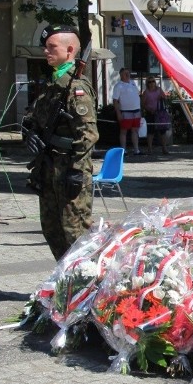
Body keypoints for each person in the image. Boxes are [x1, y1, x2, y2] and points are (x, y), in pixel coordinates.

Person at [23, 25, 99, 260]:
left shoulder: (76, 88)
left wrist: (76, 171)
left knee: (75, 232)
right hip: (48, 166)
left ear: (69, 50)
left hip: (69, 169)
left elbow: (88, 134)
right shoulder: (53, 86)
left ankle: (89, 286)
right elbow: (32, 118)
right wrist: (30, 133)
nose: (46, 52)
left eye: (51, 47)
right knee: (52, 228)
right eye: (46, 47)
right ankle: (67, 281)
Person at [113, 68, 142, 155]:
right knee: (124, 131)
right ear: (121, 75)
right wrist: (118, 113)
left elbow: (138, 94)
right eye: (125, 73)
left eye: (128, 73)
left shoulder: (133, 83)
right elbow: (115, 100)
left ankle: (136, 150)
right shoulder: (118, 86)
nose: (127, 75)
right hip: (125, 111)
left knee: (135, 130)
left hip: (136, 111)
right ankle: (123, 150)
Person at [141, 77, 171, 155]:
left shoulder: (159, 89)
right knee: (151, 131)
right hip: (150, 113)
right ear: (147, 83)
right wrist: (149, 109)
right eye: (149, 82)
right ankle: (150, 149)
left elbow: (165, 98)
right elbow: (143, 104)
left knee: (162, 131)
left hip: (160, 113)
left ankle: (164, 148)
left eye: (153, 81)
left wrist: (162, 97)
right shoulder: (146, 92)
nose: (151, 83)